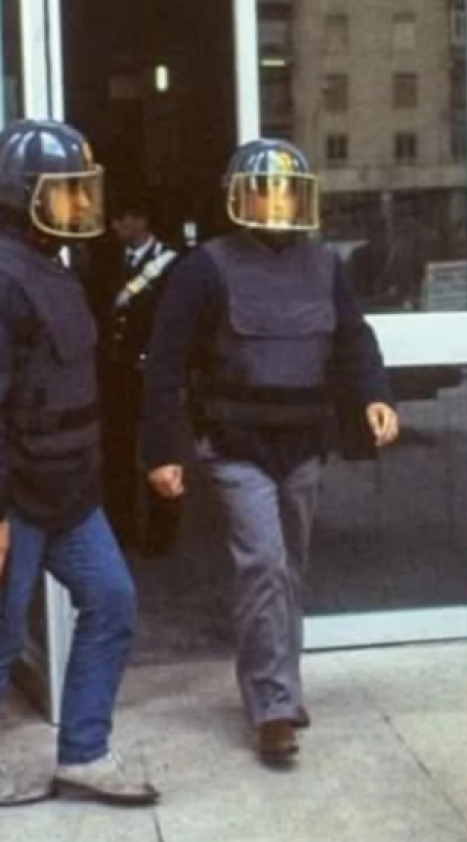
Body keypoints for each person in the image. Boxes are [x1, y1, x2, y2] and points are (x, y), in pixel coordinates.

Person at [140, 138, 399, 764]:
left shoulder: (323, 265)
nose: (276, 203)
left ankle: (284, 684)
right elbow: (165, 365)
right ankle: (272, 706)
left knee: (289, 569)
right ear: (239, 198)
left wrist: (374, 395)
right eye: (264, 191)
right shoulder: (205, 267)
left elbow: (354, 341)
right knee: (261, 565)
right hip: (237, 446)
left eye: (286, 191)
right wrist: (161, 451)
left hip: (304, 445)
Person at [0, 119, 158, 806]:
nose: (82, 205)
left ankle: (84, 754)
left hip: (67, 489)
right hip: (15, 495)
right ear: (23, 196)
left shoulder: (54, 269)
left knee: (112, 601)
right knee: (3, 640)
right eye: (66, 192)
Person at [101, 196, 181, 555]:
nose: (115, 227)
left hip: (154, 374)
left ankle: (161, 535)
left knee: (158, 453)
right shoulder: (110, 261)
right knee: (117, 453)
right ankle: (122, 529)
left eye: (122, 219)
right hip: (119, 374)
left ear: (141, 220)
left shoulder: (171, 263)